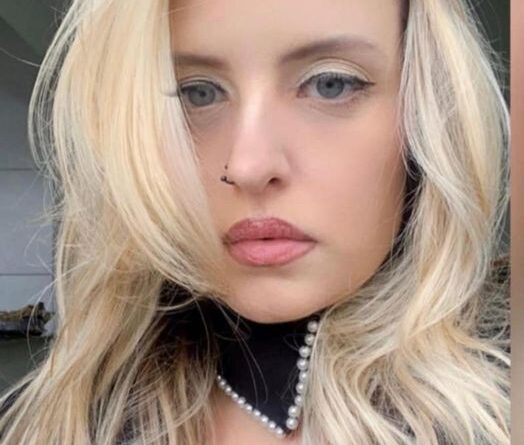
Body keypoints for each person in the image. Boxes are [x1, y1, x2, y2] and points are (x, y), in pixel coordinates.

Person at [0, 0, 510, 444]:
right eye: (197, 93)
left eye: (330, 84)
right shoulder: (40, 424)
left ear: (428, 106)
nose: (247, 166)